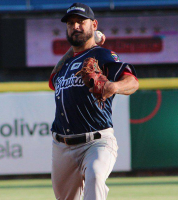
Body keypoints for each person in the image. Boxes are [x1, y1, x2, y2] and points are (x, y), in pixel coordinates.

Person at [49, 3, 139, 200]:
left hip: (96, 142)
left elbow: (132, 82)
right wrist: (71, 52)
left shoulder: (101, 55)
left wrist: (114, 87)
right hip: (62, 147)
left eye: (81, 21)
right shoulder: (65, 64)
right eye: (71, 23)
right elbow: (52, 80)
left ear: (94, 24)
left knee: (96, 176)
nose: (76, 26)